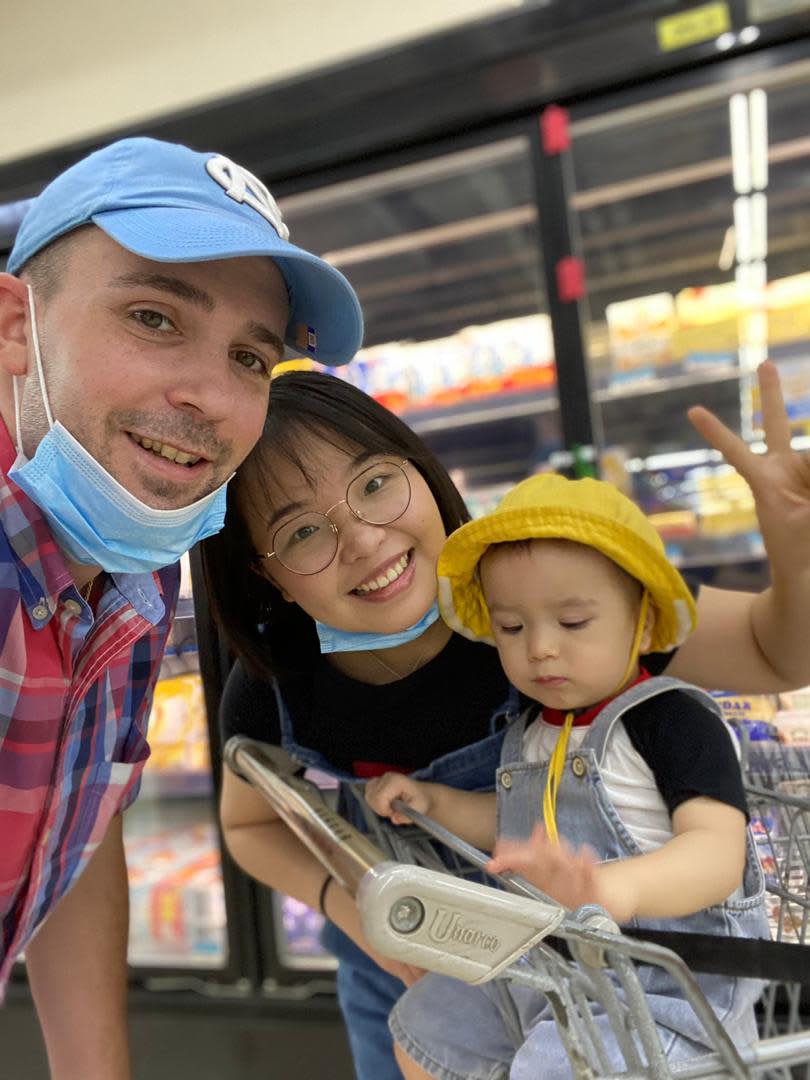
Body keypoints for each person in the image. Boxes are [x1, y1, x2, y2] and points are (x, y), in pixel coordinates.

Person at [208, 364, 810, 1080]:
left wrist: (798, 560)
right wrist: (350, 907)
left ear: (422, 470)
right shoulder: (276, 684)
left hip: (617, 968)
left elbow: (776, 654)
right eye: (303, 531)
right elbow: (250, 825)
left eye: (374, 484)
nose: (365, 540)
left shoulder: (536, 589)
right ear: (267, 575)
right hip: (407, 963)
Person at [0, 135, 363, 1080]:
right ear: (11, 327)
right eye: (155, 316)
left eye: (251, 356)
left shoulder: (135, 537)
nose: (208, 396)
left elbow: (75, 813)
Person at [365, 472, 770, 1079]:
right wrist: (434, 801)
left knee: (555, 1067)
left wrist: (615, 890)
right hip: (551, 970)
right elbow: (514, 822)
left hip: (666, 990)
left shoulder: (671, 720)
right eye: (512, 627)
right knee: (426, 1025)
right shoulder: (532, 729)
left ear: (645, 620)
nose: (541, 649)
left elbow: (717, 854)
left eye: (574, 622)